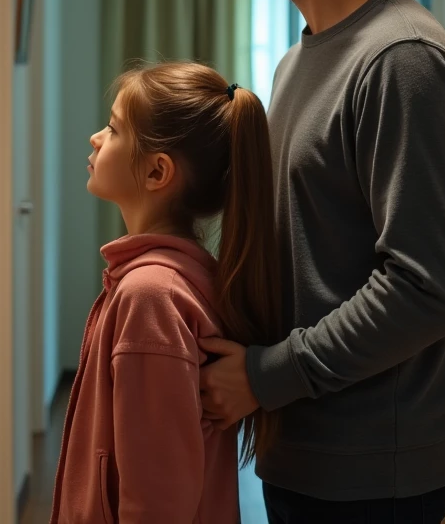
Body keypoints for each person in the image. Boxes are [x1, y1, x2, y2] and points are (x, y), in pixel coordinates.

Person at [197, 0, 445, 524]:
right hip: (306, 457)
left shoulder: (401, 61)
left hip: (372, 486)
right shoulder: (301, 60)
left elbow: (426, 290)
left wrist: (266, 375)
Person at [50, 61, 283, 524]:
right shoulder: (171, 279)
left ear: (157, 172)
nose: (96, 138)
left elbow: (159, 502)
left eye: (114, 130)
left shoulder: (150, 297)